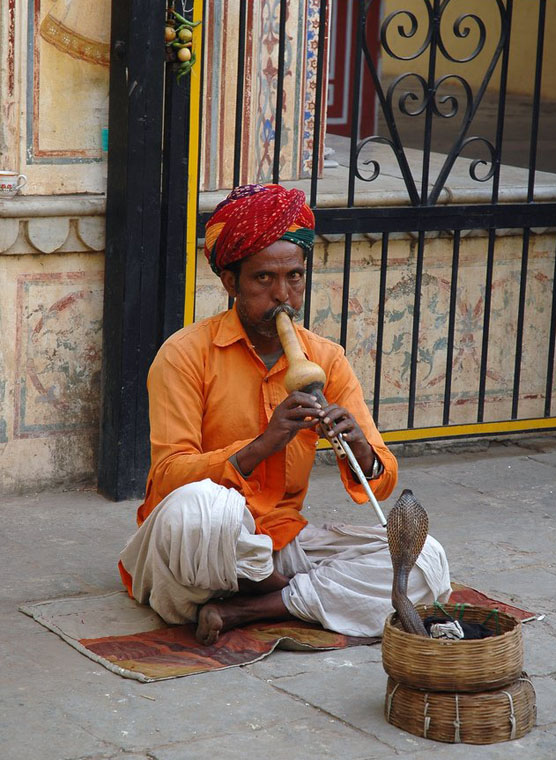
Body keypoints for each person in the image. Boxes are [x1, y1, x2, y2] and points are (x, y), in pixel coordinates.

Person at [118, 183, 451, 644]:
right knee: (206, 507)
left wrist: (357, 445)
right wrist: (261, 446)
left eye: (294, 277)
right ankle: (296, 596)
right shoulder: (185, 354)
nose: (283, 295)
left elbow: (383, 478)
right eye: (263, 280)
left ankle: (253, 606)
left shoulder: (325, 359)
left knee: (425, 563)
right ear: (231, 282)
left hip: (280, 539)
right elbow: (169, 477)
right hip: (196, 548)